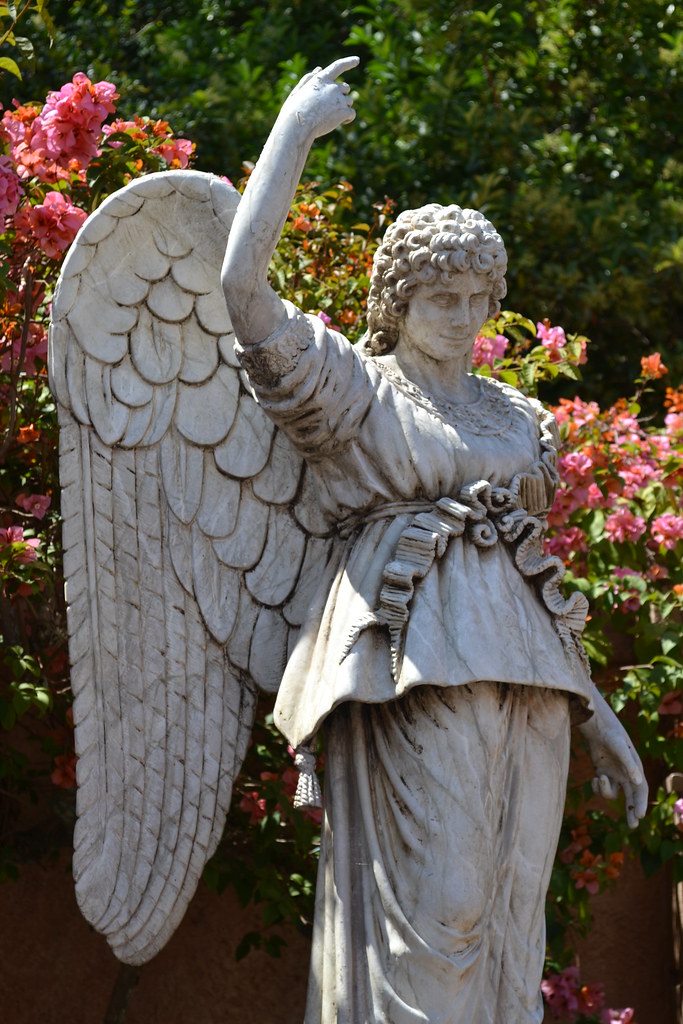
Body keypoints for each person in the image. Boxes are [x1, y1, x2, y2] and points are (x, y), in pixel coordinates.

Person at [222, 58, 647, 1024]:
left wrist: (600, 718)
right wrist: (291, 132)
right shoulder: (356, 394)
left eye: (473, 299)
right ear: (395, 304)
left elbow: (533, 588)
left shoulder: (514, 419)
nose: (458, 318)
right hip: (407, 667)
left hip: (529, 688)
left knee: (506, 919)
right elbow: (242, 293)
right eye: (435, 298)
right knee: (442, 908)